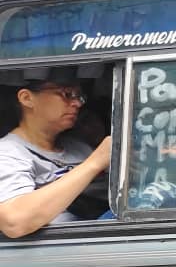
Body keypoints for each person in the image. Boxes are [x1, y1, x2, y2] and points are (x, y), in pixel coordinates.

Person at [0, 76, 112, 238]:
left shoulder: (78, 147)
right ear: (27, 98)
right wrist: (95, 162)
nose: (77, 103)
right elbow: (15, 221)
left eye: (79, 97)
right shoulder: (8, 152)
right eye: (67, 94)